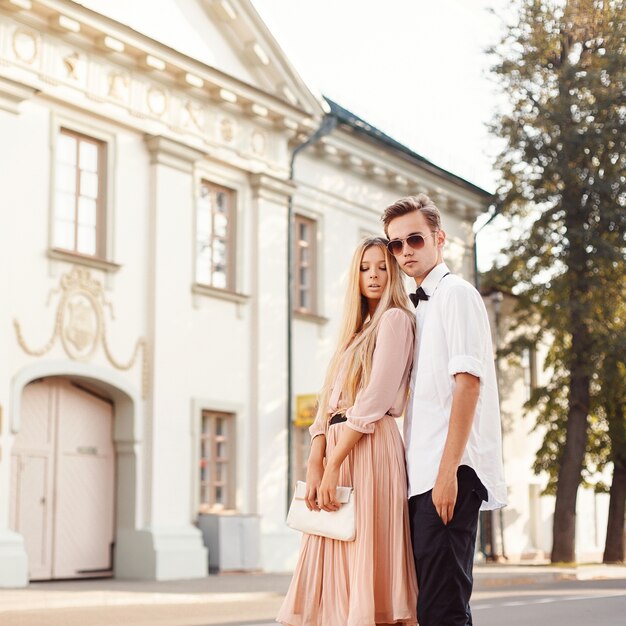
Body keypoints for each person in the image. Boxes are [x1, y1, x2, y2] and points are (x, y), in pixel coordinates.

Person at [277, 237, 418, 626]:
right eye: (364, 267)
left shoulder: (395, 320)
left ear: (393, 274)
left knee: (361, 551)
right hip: (339, 446)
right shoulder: (354, 333)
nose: (373, 275)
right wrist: (315, 460)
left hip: (370, 447)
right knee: (330, 545)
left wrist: (335, 463)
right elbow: (326, 403)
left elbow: (374, 400)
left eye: (381, 268)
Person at [382, 195, 507, 626]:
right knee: (432, 608)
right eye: (395, 245)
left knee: (443, 609)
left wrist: (448, 473)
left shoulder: (456, 295)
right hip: (422, 479)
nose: (404, 252)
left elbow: (467, 385)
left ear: (440, 239)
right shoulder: (417, 309)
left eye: (414, 239)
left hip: (447, 474)